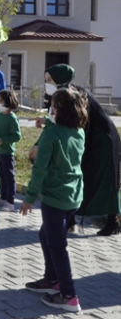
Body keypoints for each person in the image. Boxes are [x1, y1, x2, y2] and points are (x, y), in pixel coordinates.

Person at [29, 64, 121, 236]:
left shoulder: (74, 94)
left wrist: (39, 143)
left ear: (60, 79)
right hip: (88, 136)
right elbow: (60, 122)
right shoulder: (61, 96)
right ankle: (69, 220)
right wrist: (45, 122)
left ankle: (112, 221)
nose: (47, 83)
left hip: (102, 139)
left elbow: (69, 120)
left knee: (106, 180)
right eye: (46, 80)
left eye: (50, 80)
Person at [20, 88, 87, 313]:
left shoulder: (51, 135)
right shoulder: (79, 132)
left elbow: (40, 170)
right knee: (45, 234)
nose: (50, 109)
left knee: (57, 246)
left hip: (55, 197)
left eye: (52, 105)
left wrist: (29, 198)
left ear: (58, 109)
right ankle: (52, 279)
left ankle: (68, 295)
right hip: (73, 195)